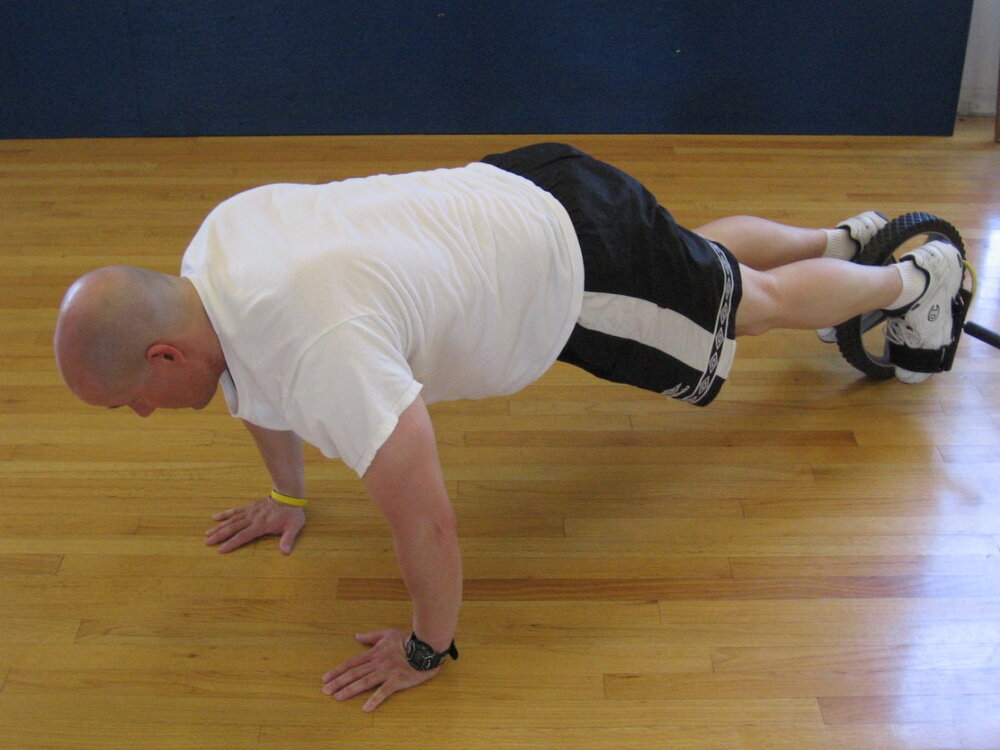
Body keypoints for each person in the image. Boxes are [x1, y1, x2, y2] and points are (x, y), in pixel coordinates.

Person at [53, 143, 964, 712]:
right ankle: (847, 241)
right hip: (523, 183)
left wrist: (427, 645)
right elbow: (253, 384)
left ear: (165, 356)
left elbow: (428, 518)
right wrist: (288, 493)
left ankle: (917, 282)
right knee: (695, 262)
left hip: (570, 272)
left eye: (124, 399)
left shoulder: (319, 347)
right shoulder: (211, 255)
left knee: (749, 307)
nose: (135, 415)